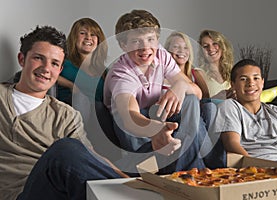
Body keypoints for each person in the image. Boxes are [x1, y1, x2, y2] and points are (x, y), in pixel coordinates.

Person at [0, 25, 127, 200]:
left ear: (60, 70)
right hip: (19, 194)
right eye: (38, 58)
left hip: (59, 191)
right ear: (22, 59)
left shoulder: (66, 115)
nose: (46, 68)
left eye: (54, 63)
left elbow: (89, 158)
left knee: (72, 151)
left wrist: (129, 181)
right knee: (65, 149)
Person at [103, 9, 217, 174]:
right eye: (136, 41)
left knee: (191, 100)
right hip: (135, 132)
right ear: (123, 45)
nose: (145, 48)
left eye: (150, 39)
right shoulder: (120, 74)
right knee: (192, 138)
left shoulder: (161, 54)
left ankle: (179, 167)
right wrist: (156, 130)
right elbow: (129, 116)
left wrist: (181, 85)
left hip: (158, 116)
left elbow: (198, 93)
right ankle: (190, 166)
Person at [212, 59, 277, 163]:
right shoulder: (229, 107)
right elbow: (231, 144)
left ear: (262, 82)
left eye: (256, 78)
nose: (251, 83)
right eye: (243, 79)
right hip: (253, 167)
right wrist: (255, 167)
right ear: (233, 85)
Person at [57, 17, 107, 109]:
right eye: (82, 33)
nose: (88, 37)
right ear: (74, 37)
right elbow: (49, 74)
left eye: (93, 34)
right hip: (69, 110)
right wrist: (71, 85)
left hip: (98, 114)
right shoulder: (63, 62)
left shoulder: (105, 72)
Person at [194, 29, 235, 101]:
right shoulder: (199, 73)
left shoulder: (233, 72)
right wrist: (223, 95)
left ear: (223, 46)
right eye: (206, 46)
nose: (211, 48)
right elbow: (203, 103)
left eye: (215, 44)